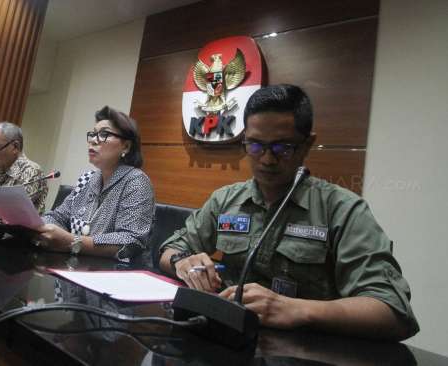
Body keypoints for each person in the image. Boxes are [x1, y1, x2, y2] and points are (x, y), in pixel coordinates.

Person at [158, 84, 419, 340]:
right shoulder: (226, 199)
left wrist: (296, 309)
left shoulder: (342, 209)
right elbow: (169, 250)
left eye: (283, 148)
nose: (267, 160)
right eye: (256, 146)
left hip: (305, 351)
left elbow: (392, 311)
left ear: (307, 145)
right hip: (229, 341)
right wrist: (183, 261)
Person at [37, 106, 155, 263]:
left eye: (104, 134)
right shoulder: (87, 178)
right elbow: (58, 216)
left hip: (117, 275)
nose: (93, 140)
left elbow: (130, 240)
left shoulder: (136, 182)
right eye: (93, 134)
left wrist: (73, 241)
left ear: (126, 146)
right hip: (78, 266)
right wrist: (41, 227)